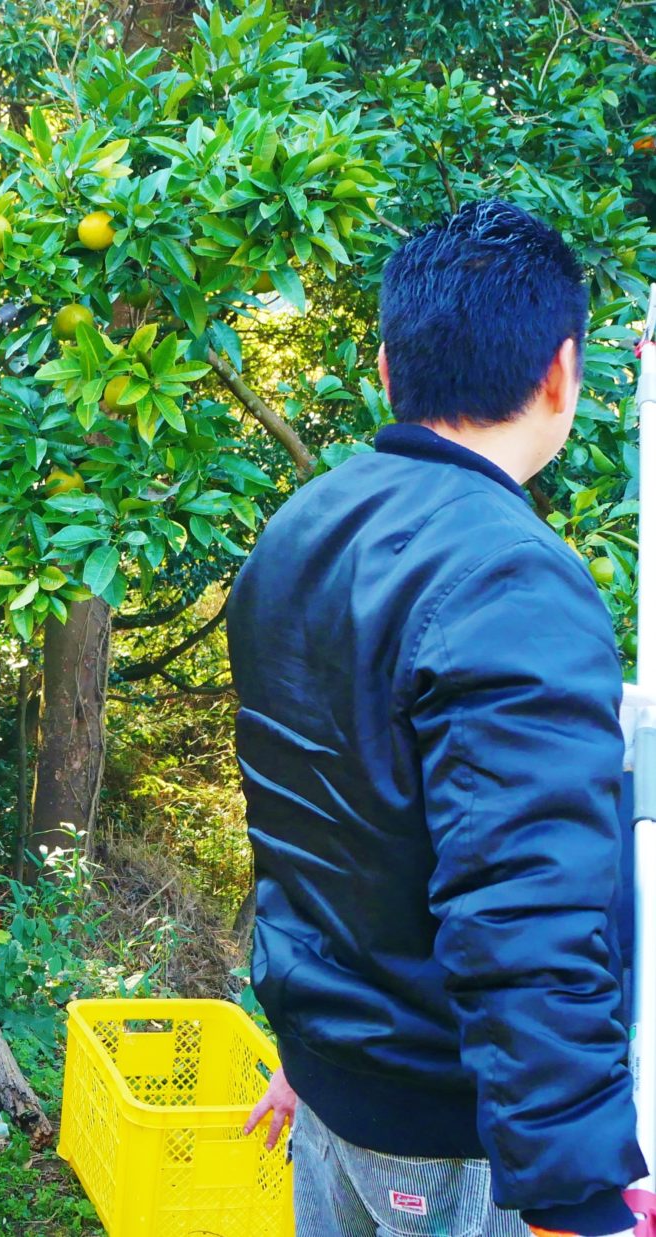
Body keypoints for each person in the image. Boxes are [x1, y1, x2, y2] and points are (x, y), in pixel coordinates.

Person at [227, 199, 644, 1237]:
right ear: (562, 372)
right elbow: (527, 910)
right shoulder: (512, 576)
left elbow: (312, 824)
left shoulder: (301, 528)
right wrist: (576, 1196)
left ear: (385, 369)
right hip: (464, 1140)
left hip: (334, 1097)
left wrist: (306, 1055)